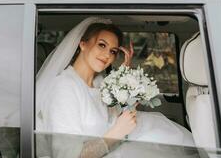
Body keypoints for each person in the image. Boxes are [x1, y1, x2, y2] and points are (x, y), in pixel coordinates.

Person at [36, 17, 194, 158]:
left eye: (112, 51)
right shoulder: (64, 87)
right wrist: (117, 132)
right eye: (101, 45)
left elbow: (111, 118)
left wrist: (126, 88)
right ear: (83, 44)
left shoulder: (99, 82)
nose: (107, 55)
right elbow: (66, 156)